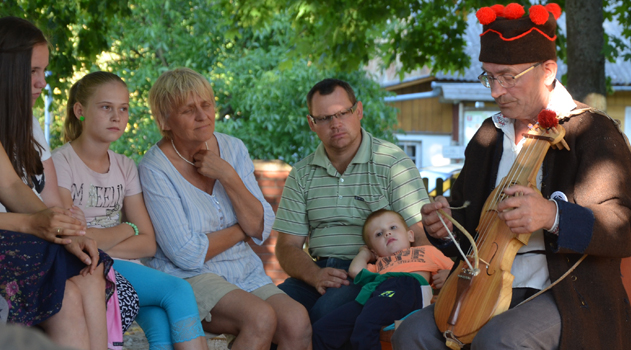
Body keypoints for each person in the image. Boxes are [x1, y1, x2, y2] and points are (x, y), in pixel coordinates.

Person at [392, 3, 631, 350]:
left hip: (565, 294)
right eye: (489, 77)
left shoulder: (591, 131)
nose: (495, 91)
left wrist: (551, 216)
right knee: (412, 333)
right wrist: (447, 227)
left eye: (508, 77)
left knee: (500, 340)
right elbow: (467, 227)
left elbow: (625, 229)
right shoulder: (488, 136)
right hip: (482, 286)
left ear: (547, 71)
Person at [139, 67, 311, 350]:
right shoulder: (154, 169)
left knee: (297, 321)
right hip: (187, 278)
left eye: (206, 105)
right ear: (165, 120)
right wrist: (241, 230)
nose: (202, 115)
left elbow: (262, 226)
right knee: (259, 318)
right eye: (188, 110)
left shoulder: (232, 148)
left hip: (243, 269)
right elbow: (187, 253)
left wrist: (227, 175)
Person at [52, 71, 208, 350]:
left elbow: (147, 243)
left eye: (123, 109)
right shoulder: (60, 163)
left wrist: (97, 238)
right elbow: (71, 238)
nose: (117, 117)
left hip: (123, 267)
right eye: (106, 107)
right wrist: (126, 229)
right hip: (87, 269)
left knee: (160, 320)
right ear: (80, 111)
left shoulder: (125, 166)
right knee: (178, 290)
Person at [272, 78, 431, 323]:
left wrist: (421, 279)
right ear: (311, 124)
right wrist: (315, 275)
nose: (335, 124)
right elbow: (286, 247)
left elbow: (419, 234)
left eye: (342, 113)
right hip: (317, 272)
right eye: (324, 118)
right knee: (271, 312)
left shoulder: (391, 162)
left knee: (325, 315)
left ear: (358, 111)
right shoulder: (302, 174)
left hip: (374, 272)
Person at [0, 16, 112, 350]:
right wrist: (35, 223)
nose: (41, 83)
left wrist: (63, 230)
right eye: (32, 71)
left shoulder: (23, 119)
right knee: (64, 287)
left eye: (43, 72)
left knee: (88, 263)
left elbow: (10, 187)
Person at [312, 209, 453, 350]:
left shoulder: (426, 251)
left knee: (365, 326)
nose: (387, 233)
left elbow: (462, 270)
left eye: (393, 227)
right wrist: (364, 253)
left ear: (410, 236)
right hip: (377, 293)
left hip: (407, 286)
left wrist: (448, 275)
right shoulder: (379, 264)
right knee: (322, 330)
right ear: (374, 251)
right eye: (379, 234)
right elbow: (355, 271)